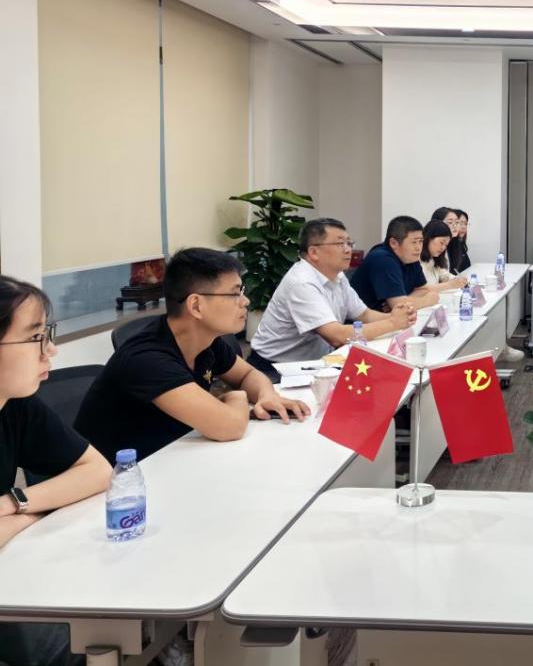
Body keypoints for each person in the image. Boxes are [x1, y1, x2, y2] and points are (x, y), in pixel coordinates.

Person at [75, 249, 312, 463]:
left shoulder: (206, 340)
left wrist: (267, 395)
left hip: (175, 456)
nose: (245, 301)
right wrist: (236, 396)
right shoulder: (146, 358)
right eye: (234, 294)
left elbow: (247, 373)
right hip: (120, 483)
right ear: (196, 305)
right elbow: (230, 426)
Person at [0, 275, 111, 666]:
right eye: (35, 337)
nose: (51, 350)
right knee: (75, 635)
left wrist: (15, 503)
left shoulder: (15, 404)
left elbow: (98, 471)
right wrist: (34, 513)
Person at [248, 219, 416, 370]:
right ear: (314, 252)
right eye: (340, 244)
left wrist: (398, 316)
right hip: (275, 368)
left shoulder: (337, 276)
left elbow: (364, 314)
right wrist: (393, 322)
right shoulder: (302, 283)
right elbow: (337, 336)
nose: (348, 250)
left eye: (349, 243)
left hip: (317, 361)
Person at [350, 216, 441, 312]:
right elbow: (399, 305)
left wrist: (404, 301)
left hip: (388, 317)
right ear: (394, 243)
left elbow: (422, 289)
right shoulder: (382, 259)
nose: (418, 248)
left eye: (420, 241)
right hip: (364, 320)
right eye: (414, 242)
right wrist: (428, 300)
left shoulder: (411, 257)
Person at [419, 220, 469, 293]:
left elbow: (443, 275)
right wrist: (449, 285)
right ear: (428, 238)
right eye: (441, 242)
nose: (443, 248)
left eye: (446, 245)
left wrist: (457, 280)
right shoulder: (414, 260)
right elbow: (420, 290)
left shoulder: (432, 259)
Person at [448, 208, 472, 275]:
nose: (464, 227)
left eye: (466, 224)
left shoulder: (461, 244)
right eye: (460, 223)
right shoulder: (448, 245)